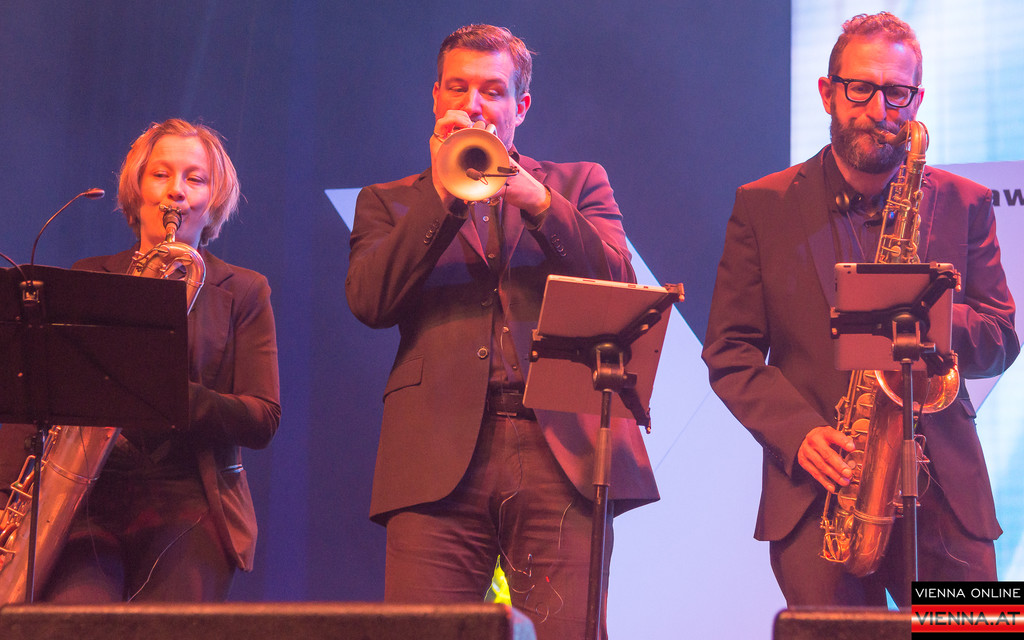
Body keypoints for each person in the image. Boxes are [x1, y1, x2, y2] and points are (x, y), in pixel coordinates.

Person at [345, 24, 658, 639]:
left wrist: (537, 201)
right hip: (435, 453)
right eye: (457, 88)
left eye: (492, 91)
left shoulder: (578, 184)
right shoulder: (389, 201)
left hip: (560, 449)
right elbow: (369, 302)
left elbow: (620, 284)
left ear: (521, 106)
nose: (473, 105)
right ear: (436, 98)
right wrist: (444, 194)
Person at [702, 11, 1018, 607]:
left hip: (948, 498)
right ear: (828, 92)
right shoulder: (762, 205)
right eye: (860, 89)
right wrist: (799, 434)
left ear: (917, 100)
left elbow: (1001, 338)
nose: (879, 109)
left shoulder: (966, 202)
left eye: (897, 93)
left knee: (978, 627)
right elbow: (730, 352)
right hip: (824, 493)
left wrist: (928, 313)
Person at [11, 118, 281, 602]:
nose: (176, 190)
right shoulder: (90, 275)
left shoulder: (244, 289)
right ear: (137, 190)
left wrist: (169, 394)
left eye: (195, 178)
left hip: (190, 500)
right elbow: (44, 395)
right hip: (88, 498)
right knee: (73, 621)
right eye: (161, 174)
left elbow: (262, 417)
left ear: (214, 199)